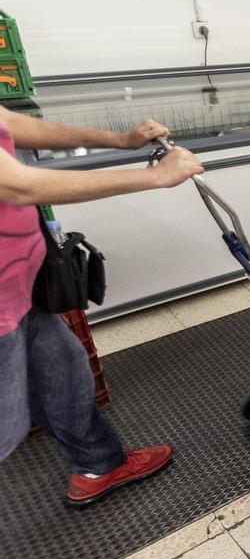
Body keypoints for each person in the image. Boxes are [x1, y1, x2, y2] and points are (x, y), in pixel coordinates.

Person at [0, 107, 204, 506]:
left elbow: (13, 125)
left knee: (64, 374)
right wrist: (155, 177)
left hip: (21, 293)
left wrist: (120, 141)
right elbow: (17, 187)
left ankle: (100, 465)